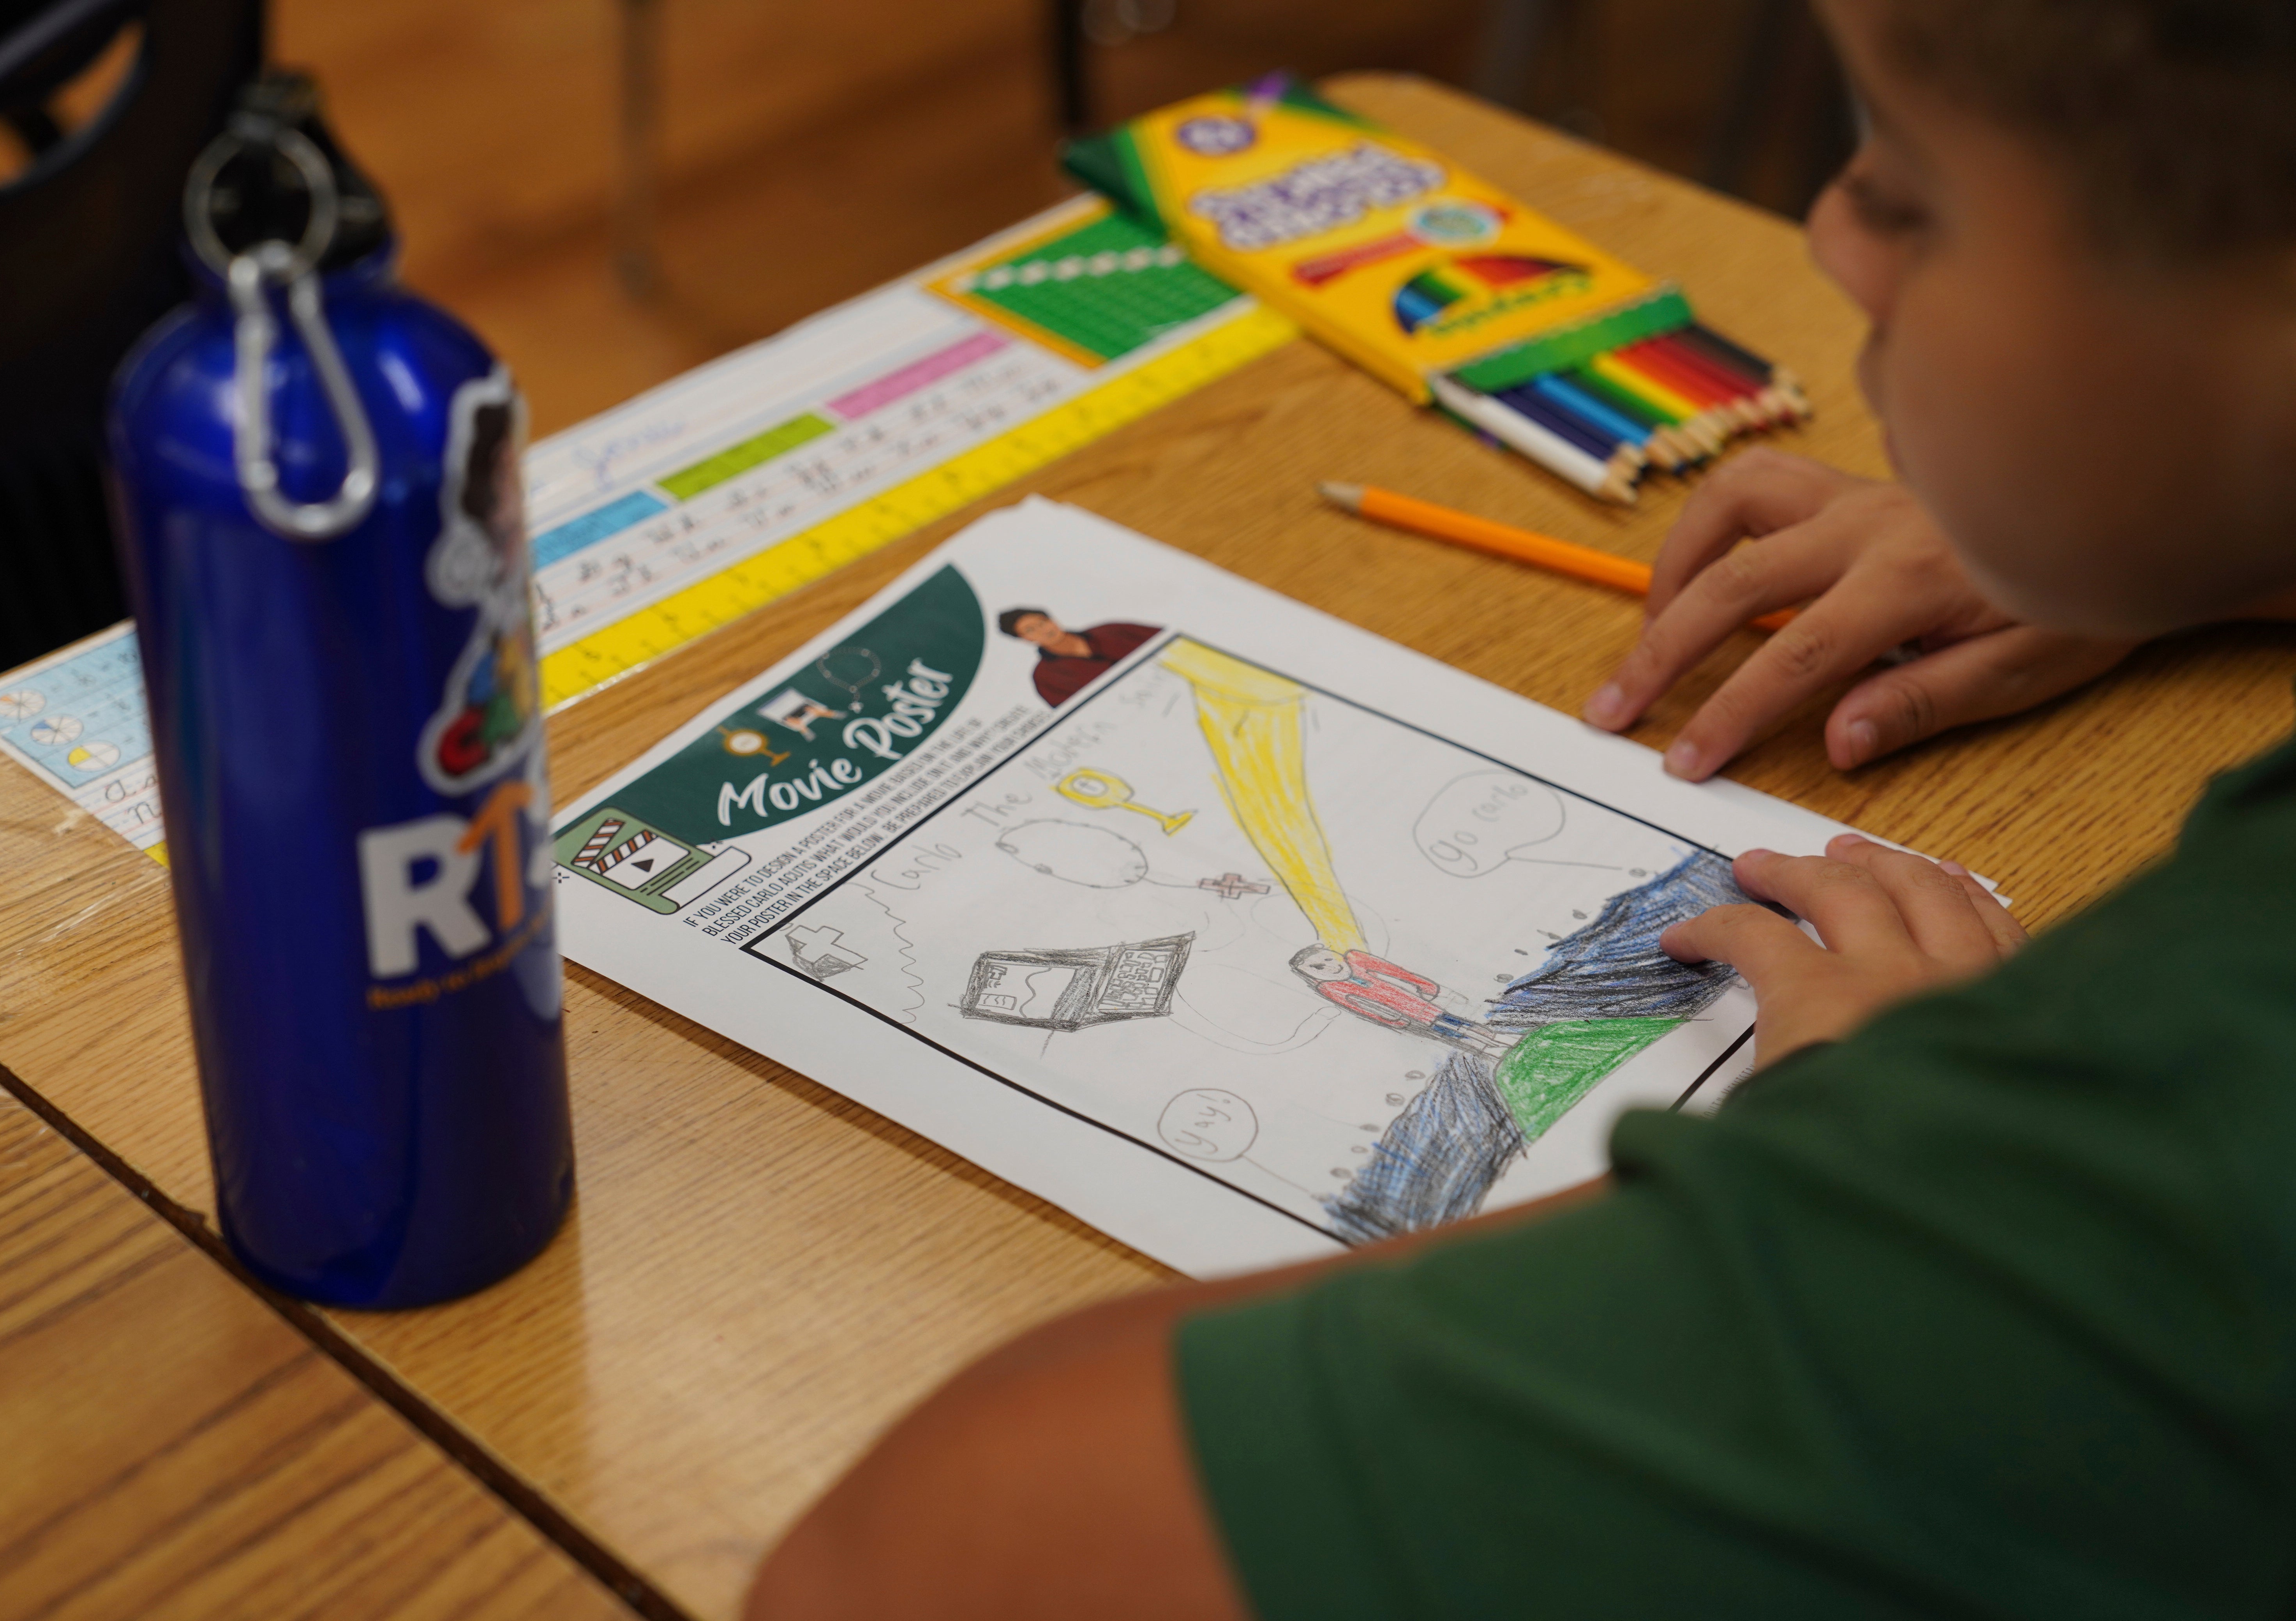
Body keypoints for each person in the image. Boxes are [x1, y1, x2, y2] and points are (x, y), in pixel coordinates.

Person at [746, 3, 2296, 1615]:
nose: (1831, 236)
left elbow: (917, 1564)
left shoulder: (2184, 1121)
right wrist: (2195, 508)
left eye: (1911, 192)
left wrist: (1856, 1127)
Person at [1288, 943, 1509, 1060]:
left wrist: (1425, 985)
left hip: (1420, 1001)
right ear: (1311, 975)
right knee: (1448, 1030)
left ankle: (1496, 1038)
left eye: (1328, 958)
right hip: (1409, 1014)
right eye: (1317, 968)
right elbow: (1357, 1006)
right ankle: (1489, 1048)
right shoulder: (1330, 988)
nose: (1329, 966)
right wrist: (1390, 1019)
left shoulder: (1356, 959)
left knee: (1454, 1020)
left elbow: (1394, 971)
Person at [997, 607, 1161, 705]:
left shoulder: (1112, 630)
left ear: (1052, 620)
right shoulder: (1046, 677)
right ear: (1025, 640)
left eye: (1042, 622)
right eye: (1030, 630)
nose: (1043, 630)